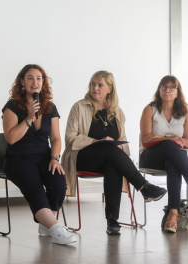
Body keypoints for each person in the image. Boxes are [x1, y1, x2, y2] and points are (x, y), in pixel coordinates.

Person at [61, 70, 167, 235]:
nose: (95, 88)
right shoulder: (79, 107)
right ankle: (144, 187)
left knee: (113, 163)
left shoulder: (117, 112)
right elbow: (70, 138)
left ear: (110, 88)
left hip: (107, 159)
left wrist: (119, 148)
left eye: (100, 85)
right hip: (82, 157)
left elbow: (122, 140)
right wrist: (97, 142)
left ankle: (112, 220)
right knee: (109, 149)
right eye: (93, 84)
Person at [2, 64, 76, 245]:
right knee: (35, 189)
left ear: (43, 83)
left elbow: (56, 138)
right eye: (30, 78)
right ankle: (57, 228)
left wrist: (54, 158)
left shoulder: (50, 108)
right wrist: (28, 118)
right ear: (22, 82)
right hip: (18, 159)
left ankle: (45, 224)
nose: (35, 82)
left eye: (39, 78)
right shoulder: (12, 107)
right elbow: (11, 138)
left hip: (44, 157)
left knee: (59, 184)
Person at [140, 75, 188, 233]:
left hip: (173, 158)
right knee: (170, 144)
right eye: (164, 86)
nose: (167, 90)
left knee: (172, 163)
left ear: (177, 92)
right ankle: (173, 214)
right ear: (159, 90)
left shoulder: (185, 111)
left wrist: (175, 140)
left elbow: (187, 140)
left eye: (171, 87)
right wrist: (169, 139)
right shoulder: (150, 109)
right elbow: (146, 141)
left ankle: (173, 214)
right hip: (151, 157)